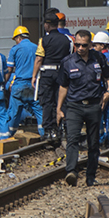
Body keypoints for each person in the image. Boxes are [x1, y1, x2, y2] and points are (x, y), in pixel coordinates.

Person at [57, 30, 109, 187]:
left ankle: (90, 176)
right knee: (72, 139)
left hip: (94, 105)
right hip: (74, 106)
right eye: (77, 45)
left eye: (84, 45)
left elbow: (108, 76)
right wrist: (59, 109)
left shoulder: (99, 58)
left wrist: (108, 92)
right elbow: (63, 86)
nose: (80, 48)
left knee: (93, 143)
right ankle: (71, 172)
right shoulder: (68, 62)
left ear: (90, 45)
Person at [33, 11, 72, 144]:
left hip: (47, 74)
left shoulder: (43, 40)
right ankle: (63, 129)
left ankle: (49, 131)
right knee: (61, 102)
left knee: (47, 102)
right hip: (62, 74)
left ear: (48, 25)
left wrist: (33, 76)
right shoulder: (67, 40)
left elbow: (39, 59)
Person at [6, 26, 43, 137]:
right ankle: (45, 135)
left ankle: (8, 136)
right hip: (34, 85)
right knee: (39, 111)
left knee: (13, 113)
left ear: (19, 37)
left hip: (19, 85)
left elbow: (9, 69)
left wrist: (4, 82)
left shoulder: (15, 49)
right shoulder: (36, 47)